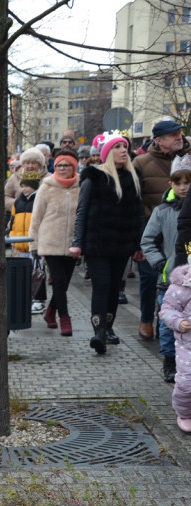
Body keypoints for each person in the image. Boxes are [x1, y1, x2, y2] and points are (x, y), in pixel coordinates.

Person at [70, 132, 145, 354]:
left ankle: (109, 328)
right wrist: (77, 242)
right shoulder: (94, 177)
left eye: (125, 146)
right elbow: (81, 211)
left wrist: (139, 245)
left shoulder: (134, 177)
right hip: (97, 242)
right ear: (107, 152)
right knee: (101, 285)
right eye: (118, 147)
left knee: (114, 287)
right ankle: (99, 332)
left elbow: (139, 214)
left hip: (122, 243)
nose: (123, 150)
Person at [133, 120, 190, 340]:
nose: (179, 137)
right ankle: (147, 319)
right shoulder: (141, 162)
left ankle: (177, 328)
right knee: (151, 279)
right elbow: (135, 199)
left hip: (186, 231)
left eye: (180, 133)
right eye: (173, 135)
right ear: (158, 140)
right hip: (155, 229)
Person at [144, 155, 191, 381]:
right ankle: (169, 361)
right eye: (178, 182)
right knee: (167, 323)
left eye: (187, 182)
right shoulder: (162, 211)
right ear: (170, 183)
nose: (183, 187)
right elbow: (148, 240)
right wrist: (161, 263)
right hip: (170, 278)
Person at [30, 148, 82, 337]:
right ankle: (65, 319)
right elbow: (36, 217)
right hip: (50, 241)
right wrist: (33, 244)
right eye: (58, 165)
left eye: (66, 165)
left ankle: (50, 312)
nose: (61, 168)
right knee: (59, 281)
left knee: (64, 283)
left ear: (74, 167)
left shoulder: (81, 186)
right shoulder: (46, 186)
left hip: (72, 242)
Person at [160, 231, 191, 432]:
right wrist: (178, 322)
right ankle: (184, 412)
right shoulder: (180, 287)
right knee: (187, 381)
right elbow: (166, 309)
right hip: (187, 344)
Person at [8, 171, 45, 313]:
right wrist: (12, 236)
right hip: (20, 243)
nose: (24, 189)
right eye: (23, 186)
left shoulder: (39, 201)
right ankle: (25, 299)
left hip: (34, 244)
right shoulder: (18, 201)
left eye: (27, 186)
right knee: (23, 274)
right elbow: (12, 222)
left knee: (38, 272)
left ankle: (39, 300)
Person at [5, 148, 47, 212]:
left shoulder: (48, 178)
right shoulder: (15, 177)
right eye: (27, 163)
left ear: (40, 164)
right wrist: (19, 204)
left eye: (33, 163)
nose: (30, 166)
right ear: (23, 164)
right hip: (19, 216)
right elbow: (6, 196)